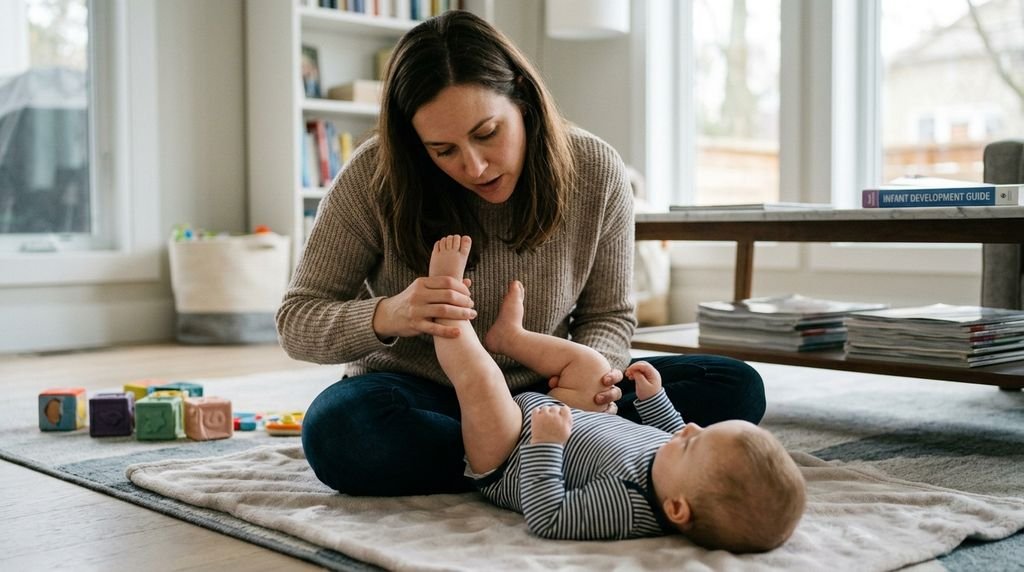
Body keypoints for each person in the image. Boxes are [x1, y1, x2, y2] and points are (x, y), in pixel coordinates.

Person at [278, 10, 766, 497]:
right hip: (420, 394)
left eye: (487, 132)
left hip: (550, 392)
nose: (474, 165)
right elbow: (297, 321)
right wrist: (390, 314)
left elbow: (609, 316)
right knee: (341, 433)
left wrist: (589, 385)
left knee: (733, 387)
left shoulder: (595, 169)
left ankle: (512, 458)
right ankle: (545, 458)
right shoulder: (373, 176)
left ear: (522, 98)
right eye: (443, 150)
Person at [429, 234, 805, 550]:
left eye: (693, 443)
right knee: (592, 365)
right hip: (569, 415)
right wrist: (653, 400)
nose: (691, 429)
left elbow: (548, 515)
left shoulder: (628, 504)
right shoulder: (679, 467)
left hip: (512, 452)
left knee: (483, 381)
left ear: (677, 509)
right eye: (702, 431)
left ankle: (446, 308)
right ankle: (510, 338)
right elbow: (671, 430)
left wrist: (546, 446)